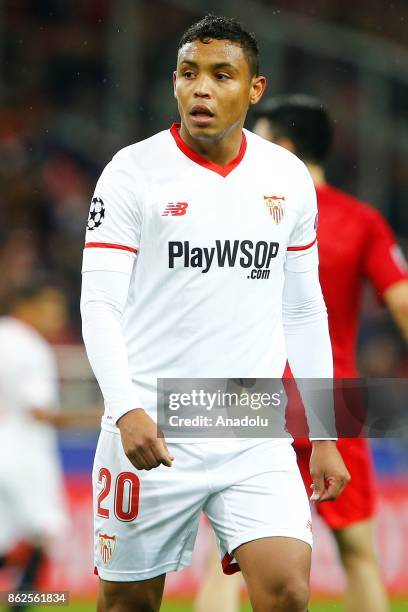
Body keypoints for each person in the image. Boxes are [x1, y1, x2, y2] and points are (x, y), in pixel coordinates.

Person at [80, 16, 350, 612]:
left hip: (247, 417)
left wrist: (325, 432)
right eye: (188, 73)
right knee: (128, 604)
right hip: (149, 420)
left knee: (287, 591)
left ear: (255, 89)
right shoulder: (131, 172)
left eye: (221, 75)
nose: (200, 88)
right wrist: (125, 409)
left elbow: (304, 309)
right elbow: (98, 303)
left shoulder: (286, 178)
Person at [251, 95, 408, 612]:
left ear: (285, 148)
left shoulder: (244, 213)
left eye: (259, 135)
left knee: (234, 561)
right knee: (358, 552)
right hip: (335, 398)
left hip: (248, 396)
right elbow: (403, 301)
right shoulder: (361, 220)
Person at [0, 279, 70, 606]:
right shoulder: (30, 346)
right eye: (51, 307)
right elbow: (39, 410)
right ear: (28, 305)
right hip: (25, 454)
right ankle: (21, 604)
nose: (57, 317)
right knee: (44, 531)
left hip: (5, 451)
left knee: (9, 538)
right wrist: (108, 415)